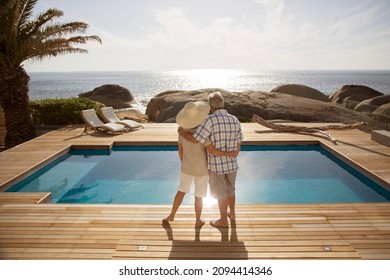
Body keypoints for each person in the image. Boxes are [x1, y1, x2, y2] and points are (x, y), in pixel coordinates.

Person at [163, 101, 236, 228]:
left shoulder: (181, 134)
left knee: (181, 191)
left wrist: (185, 163)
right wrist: (228, 154)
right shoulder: (204, 136)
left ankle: (172, 214)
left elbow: (180, 152)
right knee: (199, 196)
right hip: (202, 170)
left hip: (186, 167)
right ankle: (198, 220)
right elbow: (210, 152)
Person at [180, 92, 243, 228]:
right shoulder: (235, 120)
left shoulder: (209, 120)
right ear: (223, 103)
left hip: (216, 165)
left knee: (220, 192)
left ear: (210, 106)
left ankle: (223, 220)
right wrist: (230, 154)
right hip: (232, 164)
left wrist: (182, 132)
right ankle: (231, 214)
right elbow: (237, 147)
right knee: (231, 189)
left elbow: (195, 139)